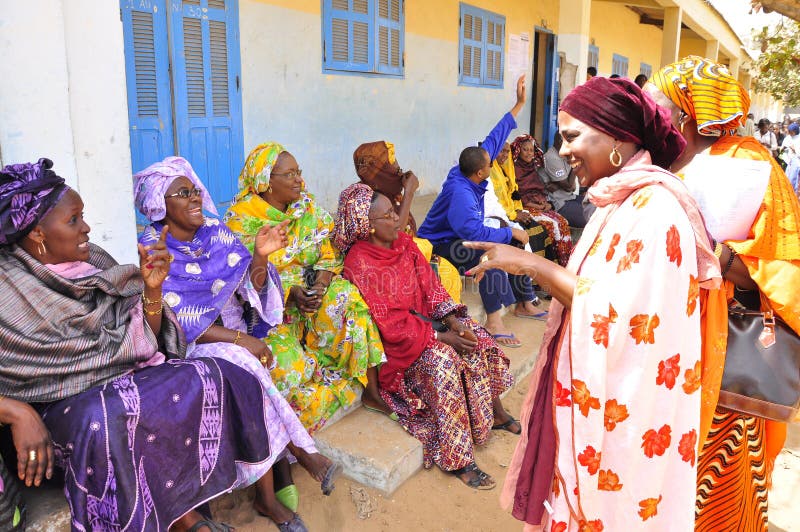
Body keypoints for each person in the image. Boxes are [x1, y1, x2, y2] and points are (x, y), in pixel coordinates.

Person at [468, 77, 720, 529]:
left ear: (620, 138)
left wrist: (532, 265)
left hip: (627, 415)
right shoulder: (618, 197)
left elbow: (617, 316)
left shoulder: (655, 210)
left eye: (571, 137)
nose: (561, 152)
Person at [0, 158, 299, 531]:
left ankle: (197, 512)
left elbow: (146, 338)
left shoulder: (94, 261)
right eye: (74, 219)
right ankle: (186, 524)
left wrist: (152, 290)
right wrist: (14, 411)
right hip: (58, 406)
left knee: (213, 372)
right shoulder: (7, 286)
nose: (87, 228)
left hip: (122, 375)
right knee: (111, 415)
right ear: (37, 235)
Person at [133, 157, 344, 530]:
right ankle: (300, 456)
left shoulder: (215, 232)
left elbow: (252, 289)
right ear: (158, 205)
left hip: (237, 333)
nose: (196, 197)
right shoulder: (155, 247)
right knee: (244, 363)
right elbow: (176, 322)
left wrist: (260, 258)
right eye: (183, 193)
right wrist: (240, 339)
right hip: (190, 345)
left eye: (195, 189)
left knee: (252, 372)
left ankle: (275, 489)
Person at [647, 55, 800, 531]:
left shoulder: (748, 163)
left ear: (686, 114)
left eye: (658, 106)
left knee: (720, 482)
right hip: (671, 344)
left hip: (730, 356)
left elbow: (781, 272)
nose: (650, 115)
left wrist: (714, 255)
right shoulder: (664, 161)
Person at [333, 183, 517, 490]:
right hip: (401, 351)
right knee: (444, 362)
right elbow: (389, 323)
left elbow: (431, 289)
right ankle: (458, 457)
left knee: (478, 339)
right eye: (389, 214)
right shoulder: (360, 263)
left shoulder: (404, 243)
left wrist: (453, 320)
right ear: (367, 225)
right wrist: (442, 338)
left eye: (394, 211)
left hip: (429, 326)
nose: (398, 219)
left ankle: (495, 414)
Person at [224, 143, 385, 433]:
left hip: (309, 296)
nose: (300, 180)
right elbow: (240, 284)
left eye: (299, 172)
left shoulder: (306, 208)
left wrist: (321, 286)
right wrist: (289, 294)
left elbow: (328, 255)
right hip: (264, 314)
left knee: (347, 299)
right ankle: (291, 426)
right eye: (290, 175)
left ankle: (370, 389)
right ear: (266, 182)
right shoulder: (240, 221)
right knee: (286, 367)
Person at [416, 76, 540, 349]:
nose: (493, 161)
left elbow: (495, 138)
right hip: (439, 244)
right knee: (491, 254)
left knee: (514, 242)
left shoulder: (470, 168)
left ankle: (523, 302)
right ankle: (494, 319)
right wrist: (507, 231)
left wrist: (518, 104)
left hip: (459, 235)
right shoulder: (460, 192)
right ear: (481, 172)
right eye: (490, 165)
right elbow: (471, 232)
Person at [352, 140, 462, 302]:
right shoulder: (362, 200)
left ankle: (446, 316)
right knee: (442, 274)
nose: (402, 177)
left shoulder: (391, 195)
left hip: (401, 256)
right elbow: (394, 235)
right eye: (396, 172)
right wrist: (409, 192)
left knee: (447, 271)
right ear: (378, 178)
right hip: (379, 266)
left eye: (401, 170)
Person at [510, 134, 573, 265]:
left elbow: (538, 190)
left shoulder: (532, 167)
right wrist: (537, 206)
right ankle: (549, 266)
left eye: (531, 150)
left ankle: (564, 265)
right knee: (551, 225)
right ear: (518, 150)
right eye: (525, 149)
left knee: (562, 222)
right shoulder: (514, 169)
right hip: (524, 207)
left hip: (538, 205)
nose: (529, 153)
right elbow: (519, 195)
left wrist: (546, 204)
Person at [489, 141, 555, 261]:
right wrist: (514, 214)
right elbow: (496, 203)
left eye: (507, 152)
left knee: (541, 230)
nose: (504, 155)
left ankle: (542, 272)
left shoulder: (506, 169)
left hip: (513, 212)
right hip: (500, 216)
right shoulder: (491, 173)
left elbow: (514, 194)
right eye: (501, 151)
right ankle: (528, 272)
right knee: (533, 234)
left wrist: (518, 209)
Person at [538, 131, 587, 227]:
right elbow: (568, 186)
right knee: (590, 217)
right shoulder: (551, 157)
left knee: (596, 206)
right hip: (558, 204)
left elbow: (572, 187)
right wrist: (574, 166)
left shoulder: (564, 154)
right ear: (561, 141)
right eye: (569, 141)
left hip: (569, 197)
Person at [782, 122, 800, 191]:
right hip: (789, 162)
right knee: (787, 180)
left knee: (794, 181)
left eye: (791, 132)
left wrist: (795, 150)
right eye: (788, 131)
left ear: (795, 131)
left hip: (797, 163)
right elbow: (783, 149)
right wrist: (783, 149)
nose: (789, 133)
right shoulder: (788, 138)